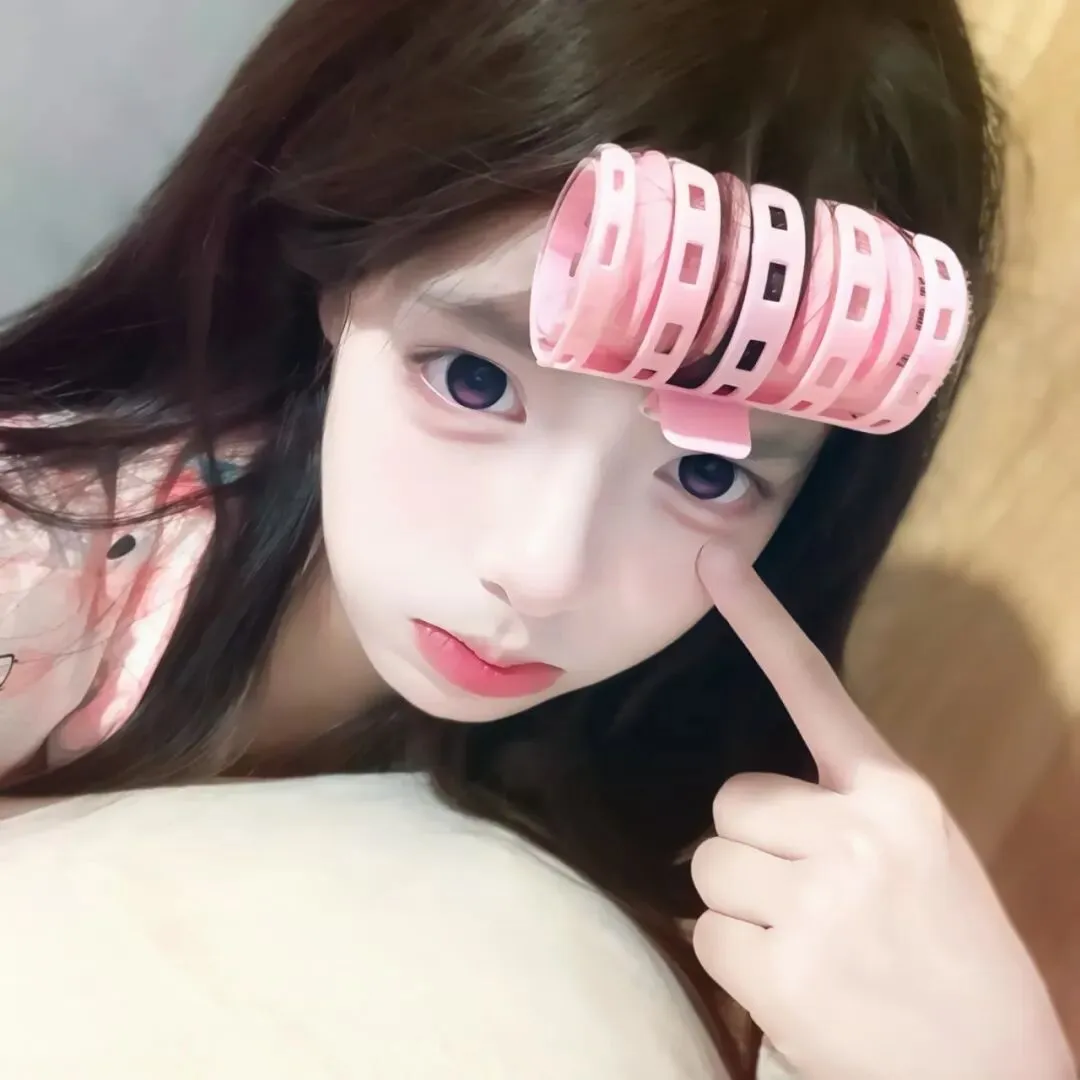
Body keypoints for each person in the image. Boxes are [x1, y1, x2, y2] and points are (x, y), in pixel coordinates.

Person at [0, 0, 1072, 1076]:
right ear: (338, 269)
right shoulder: (36, 568)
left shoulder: (715, 844)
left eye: (709, 474)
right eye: (474, 380)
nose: (542, 568)